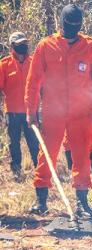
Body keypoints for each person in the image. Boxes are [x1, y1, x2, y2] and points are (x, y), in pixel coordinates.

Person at [25, 4, 92, 219]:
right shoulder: (46, 46)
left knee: (82, 156)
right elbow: (33, 81)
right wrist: (31, 110)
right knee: (47, 153)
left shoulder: (91, 46)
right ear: (60, 23)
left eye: (76, 25)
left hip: (81, 111)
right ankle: (41, 202)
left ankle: (82, 204)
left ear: (80, 25)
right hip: (53, 110)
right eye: (68, 24)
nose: (71, 28)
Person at [0, 32, 39, 180]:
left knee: (34, 142)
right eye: (19, 45)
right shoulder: (4, 64)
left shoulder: (34, 62)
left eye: (24, 44)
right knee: (14, 143)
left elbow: (42, 84)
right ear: (12, 47)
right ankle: (16, 171)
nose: (23, 47)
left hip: (32, 111)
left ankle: (40, 170)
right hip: (12, 112)